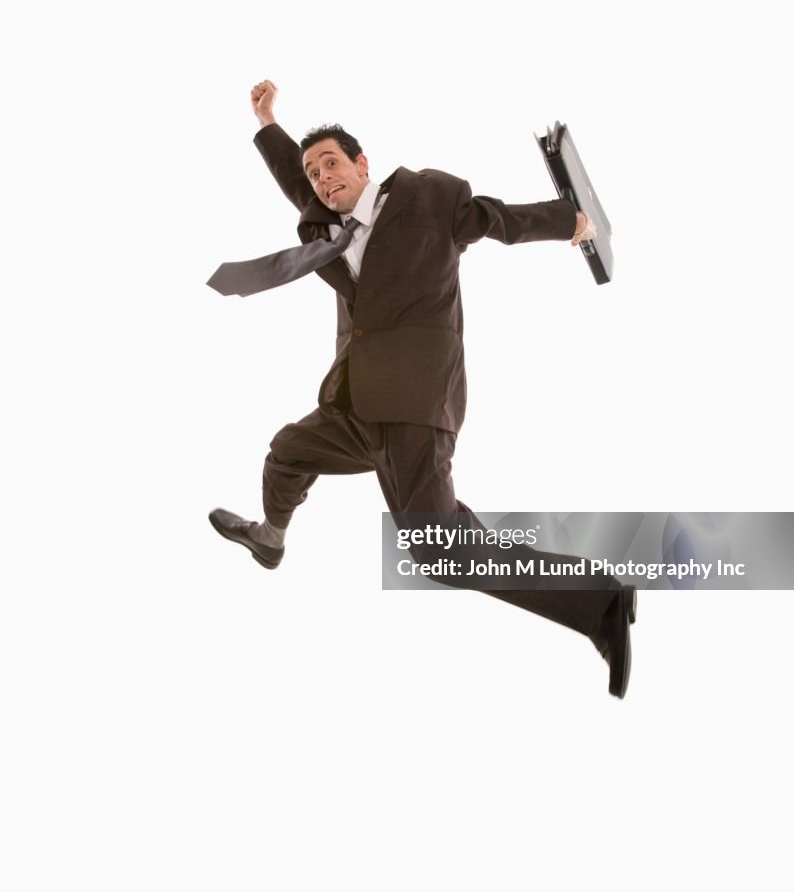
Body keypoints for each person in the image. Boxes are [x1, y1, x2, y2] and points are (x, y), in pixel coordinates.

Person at [208, 80, 636, 698]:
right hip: (353, 407)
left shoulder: (428, 199)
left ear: (362, 163)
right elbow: (294, 179)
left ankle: (600, 602)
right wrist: (267, 119)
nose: (322, 178)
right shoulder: (326, 226)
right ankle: (270, 539)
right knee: (286, 452)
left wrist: (569, 220)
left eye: (332, 163)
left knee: (444, 553)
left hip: (413, 405)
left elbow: (498, 219)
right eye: (314, 172)